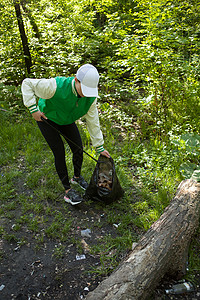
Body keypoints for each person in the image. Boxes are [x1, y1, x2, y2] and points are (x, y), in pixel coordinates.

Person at [21, 64, 110, 205]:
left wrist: (99, 147)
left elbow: (93, 122)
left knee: (78, 148)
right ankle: (68, 191)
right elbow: (27, 83)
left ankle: (77, 177)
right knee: (59, 151)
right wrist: (33, 109)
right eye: (84, 89)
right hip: (47, 119)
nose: (86, 93)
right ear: (76, 80)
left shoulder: (90, 98)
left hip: (67, 120)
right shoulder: (55, 86)